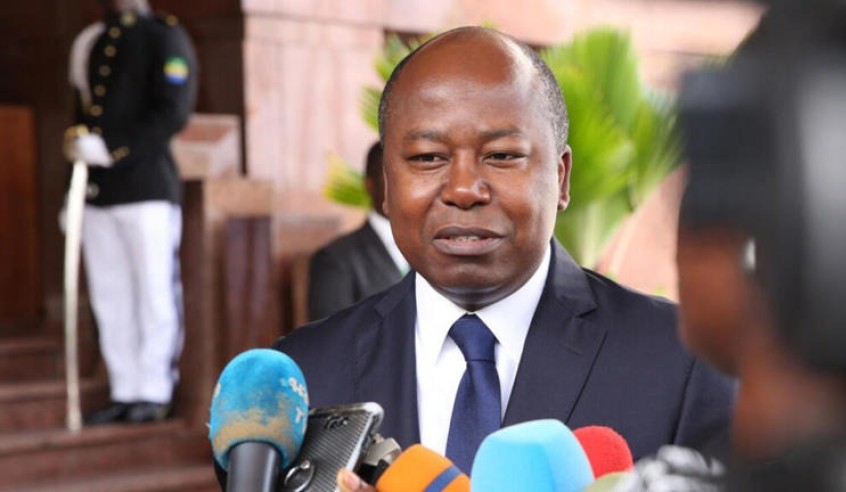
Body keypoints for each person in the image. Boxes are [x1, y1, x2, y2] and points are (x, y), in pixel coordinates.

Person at [269, 26, 734, 491]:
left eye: (502, 155)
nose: (464, 189)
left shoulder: (688, 364)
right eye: (428, 157)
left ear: (561, 178)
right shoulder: (303, 377)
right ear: (386, 187)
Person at [63, 0, 196, 424]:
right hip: (98, 192)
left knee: (153, 292)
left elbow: (173, 112)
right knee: (110, 295)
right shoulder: (94, 40)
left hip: (146, 187)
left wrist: (114, 149)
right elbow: (82, 117)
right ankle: (124, 389)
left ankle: (154, 390)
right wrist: (71, 192)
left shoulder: (165, 36)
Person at [307, 142, 409, 321]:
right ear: (369, 185)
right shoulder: (335, 259)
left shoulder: (433, 248)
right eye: (391, 177)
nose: (403, 186)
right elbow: (331, 333)